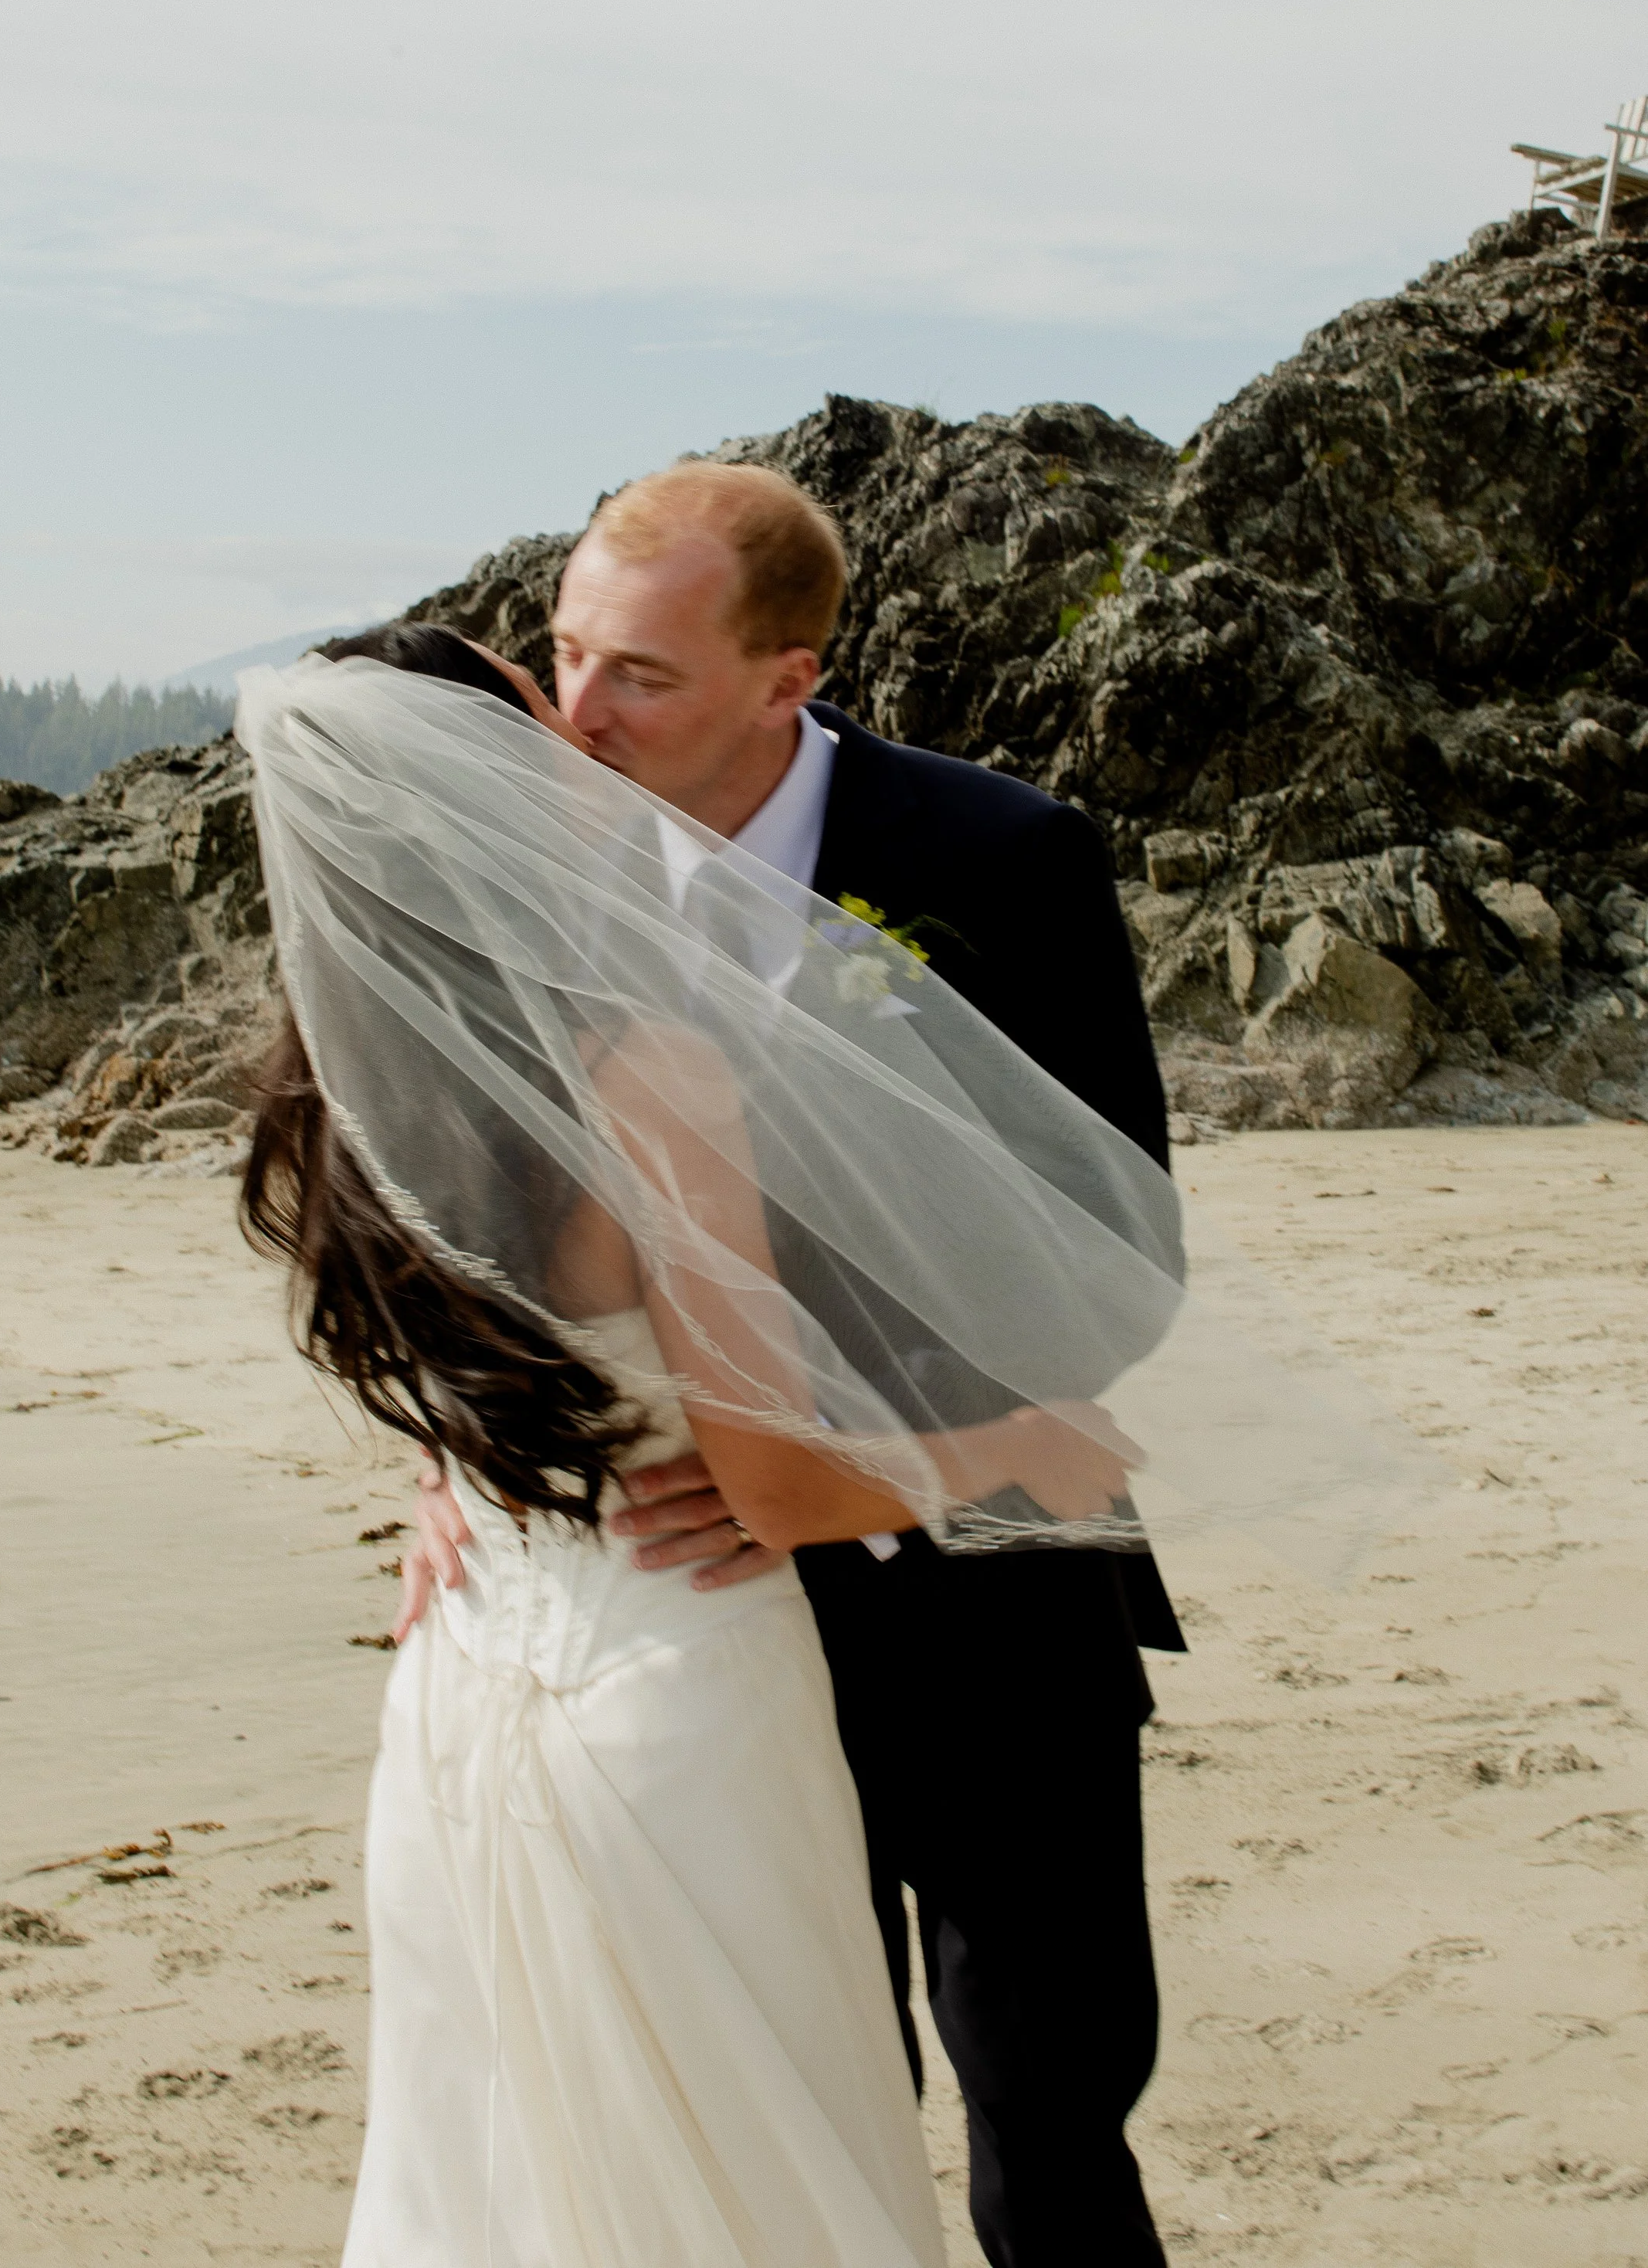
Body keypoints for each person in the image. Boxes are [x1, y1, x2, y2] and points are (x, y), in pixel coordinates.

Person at [398, 464, 1182, 2268]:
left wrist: (814, 1467)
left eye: (639, 678)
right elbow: (463, 1224)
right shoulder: (507, 897)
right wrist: (462, 1456)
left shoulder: (998, 860)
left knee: (1046, 2121)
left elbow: (1112, 1272)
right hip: (667, 1633)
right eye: (565, 655)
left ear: (786, 676)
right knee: (770, 2130)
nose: (577, 715)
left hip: (984, 1612)